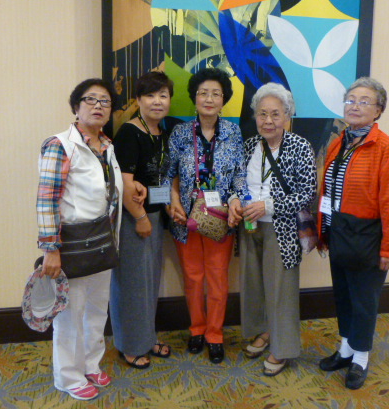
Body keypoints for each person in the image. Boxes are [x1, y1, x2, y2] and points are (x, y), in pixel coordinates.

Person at [36, 78, 125, 401]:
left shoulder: (107, 146)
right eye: (91, 99)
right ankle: (68, 376)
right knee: (70, 314)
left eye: (105, 101)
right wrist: (51, 249)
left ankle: (90, 363)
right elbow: (47, 200)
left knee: (97, 309)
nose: (98, 106)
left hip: (102, 241)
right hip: (71, 243)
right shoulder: (60, 145)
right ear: (76, 106)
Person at [317, 77, 389, 390]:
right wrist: (324, 230)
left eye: (364, 101)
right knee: (343, 294)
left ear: (378, 110)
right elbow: (328, 190)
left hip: (368, 235)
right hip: (339, 230)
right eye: (351, 100)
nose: (354, 106)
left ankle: (361, 357)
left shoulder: (385, 147)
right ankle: (345, 349)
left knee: (364, 300)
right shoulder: (340, 141)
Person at [165, 67, 248, 364]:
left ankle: (214, 334)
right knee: (192, 277)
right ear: (194, 98)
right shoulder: (180, 133)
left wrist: (237, 200)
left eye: (215, 94)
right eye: (203, 93)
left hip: (221, 219)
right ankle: (197, 329)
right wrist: (173, 201)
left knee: (217, 278)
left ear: (223, 99)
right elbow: (168, 174)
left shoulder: (233, 132)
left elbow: (239, 174)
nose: (209, 99)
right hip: (185, 219)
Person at [239, 83, 317, 376]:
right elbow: (238, 180)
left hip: (282, 230)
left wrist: (268, 205)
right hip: (250, 226)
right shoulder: (250, 145)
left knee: (281, 290)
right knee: (256, 285)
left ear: (287, 115)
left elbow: (307, 193)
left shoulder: (300, 146)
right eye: (262, 114)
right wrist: (237, 200)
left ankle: (282, 348)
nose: (268, 120)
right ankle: (265, 331)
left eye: (275, 114)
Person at [110, 71, 174, 369]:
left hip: (155, 216)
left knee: (149, 282)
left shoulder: (161, 131)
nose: (157, 101)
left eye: (163, 95)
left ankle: (146, 338)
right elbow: (124, 184)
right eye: (150, 95)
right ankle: (130, 345)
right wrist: (139, 218)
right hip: (134, 219)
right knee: (132, 284)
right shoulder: (128, 132)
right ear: (138, 100)